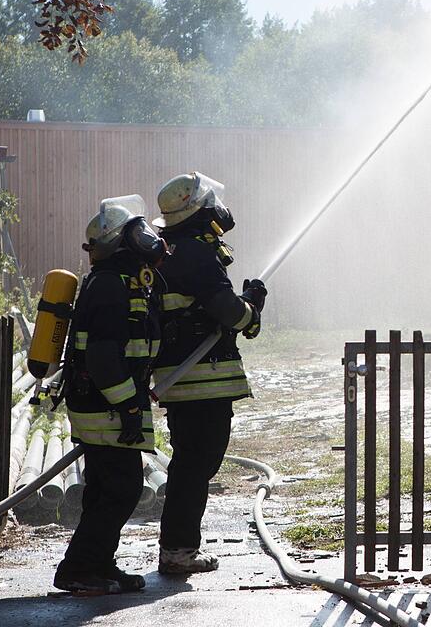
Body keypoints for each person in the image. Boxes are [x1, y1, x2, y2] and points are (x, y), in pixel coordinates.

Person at [151, 172, 265, 574]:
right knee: (196, 466)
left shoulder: (171, 250)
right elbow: (227, 311)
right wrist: (251, 305)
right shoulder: (196, 254)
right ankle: (179, 551)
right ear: (199, 211)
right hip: (202, 379)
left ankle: (178, 548)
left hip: (184, 381)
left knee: (191, 464)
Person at [53, 195, 168, 594]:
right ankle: (78, 569)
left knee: (106, 488)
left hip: (105, 403)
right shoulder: (109, 286)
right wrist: (129, 405)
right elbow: (102, 357)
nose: (147, 239)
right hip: (106, 405)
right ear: (122, 241)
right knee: (122, 488)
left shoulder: (120, 281)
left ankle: (98, 564)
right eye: (138, 233)